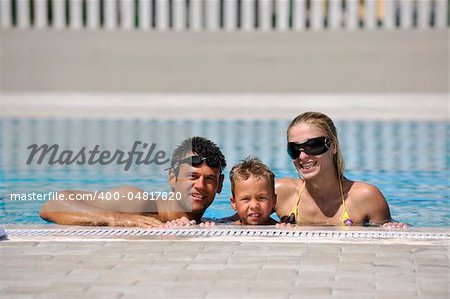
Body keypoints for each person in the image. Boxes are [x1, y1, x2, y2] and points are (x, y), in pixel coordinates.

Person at [39, 136, 226, 227]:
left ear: (220, 185)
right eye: (192, 177)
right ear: (172, 178)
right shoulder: (138, 203)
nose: (200, 185)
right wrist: (118, 219)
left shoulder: (205, 222)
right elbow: (53, 205)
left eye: (209, 179)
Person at [275, 111, 406, 228]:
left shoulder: (365, 197)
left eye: (313, 146)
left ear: (333, 146)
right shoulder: (280, 193)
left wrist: (396, 228)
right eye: (294, 149)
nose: (302, 156)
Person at [229, 156, 278, 225]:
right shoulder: (225, 228)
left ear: (274, 200)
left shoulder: (282, 229)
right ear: (234, 203)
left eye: (261, 198)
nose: (254, 206)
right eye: (246, 199)